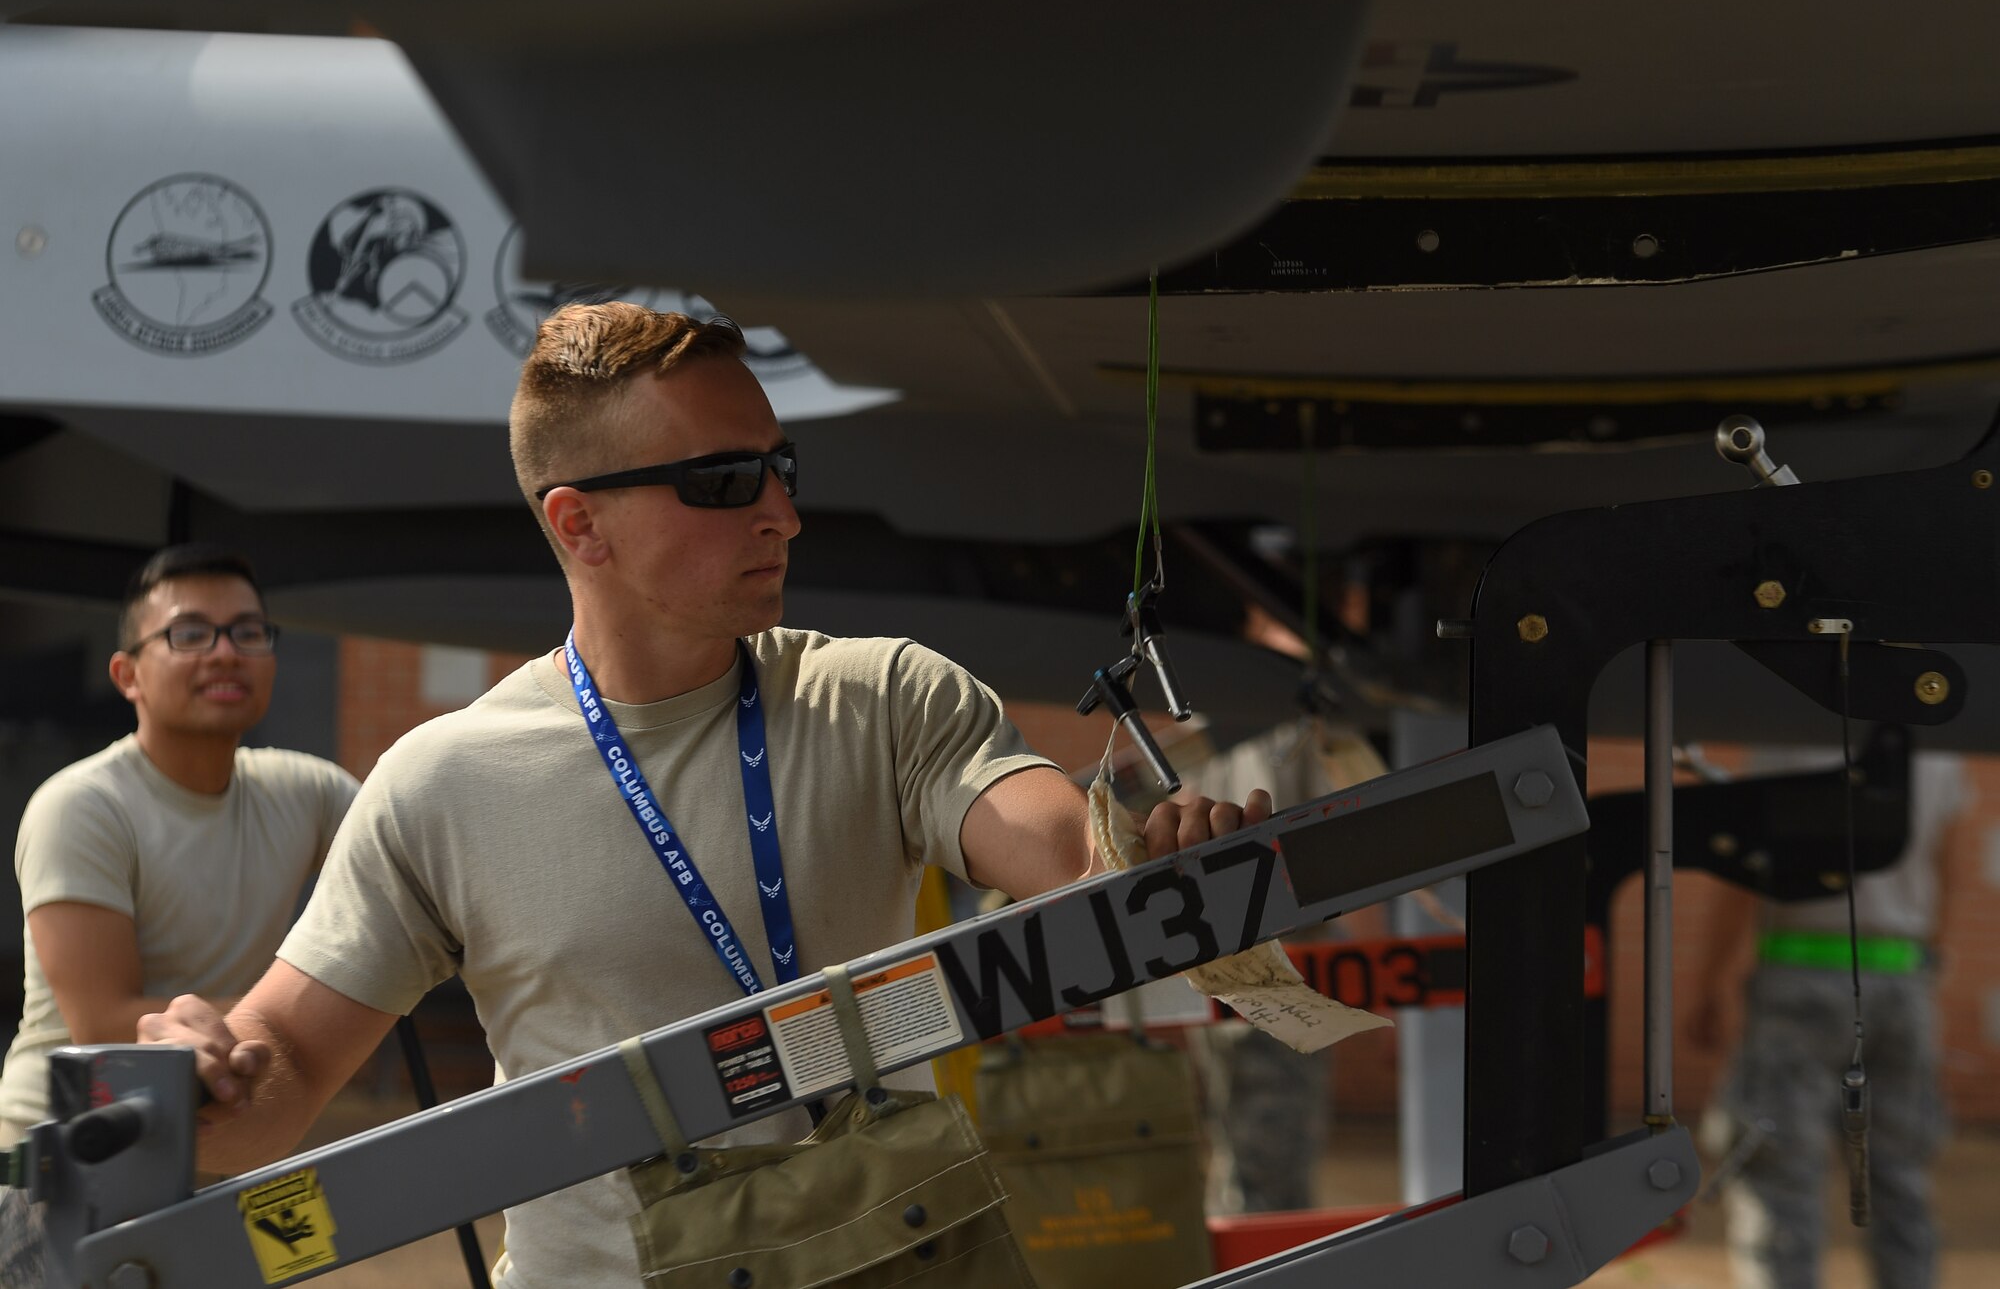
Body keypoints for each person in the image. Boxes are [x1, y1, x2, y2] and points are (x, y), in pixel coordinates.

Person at [140, 303, 1272, 1288]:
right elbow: (279, 1076)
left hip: (896, 1257)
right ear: (577, 522)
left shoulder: (882, 698)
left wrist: (1150, 851)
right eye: (723, 482)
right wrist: (202, 1068)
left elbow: (1065, 849)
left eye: (782, 469)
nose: (779, 513)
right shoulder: (440, 782)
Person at [0, 544, 358, 1281]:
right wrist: (317, 1008)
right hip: (65, 1167)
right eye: (191, 633)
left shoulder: (309, 792)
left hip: (217, 1153)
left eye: (247, 632)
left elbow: (413, 889)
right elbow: (106, 1023)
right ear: (127, 673)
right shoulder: (84, 805)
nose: (225, 652)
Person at [1691, 745, 1971, 1289]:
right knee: (1902, 1178)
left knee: (1780, 1173)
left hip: (1798, 979)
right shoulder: (1937, 746)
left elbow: (1744, 867)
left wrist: (1713, 980)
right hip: (1902, 982)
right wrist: (1926, 964)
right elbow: (1948, 864)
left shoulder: (1785, 740)